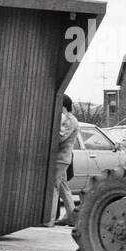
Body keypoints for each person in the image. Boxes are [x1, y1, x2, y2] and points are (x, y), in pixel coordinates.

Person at [49, 93, 82, 226]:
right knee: (63, 187)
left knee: (53, 186)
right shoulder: (67, 119)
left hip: (61, 158)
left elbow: (60, 138)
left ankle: (49, 219)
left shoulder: (70, 120)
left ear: (63, 106)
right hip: (62, 158)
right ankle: (72, 216)